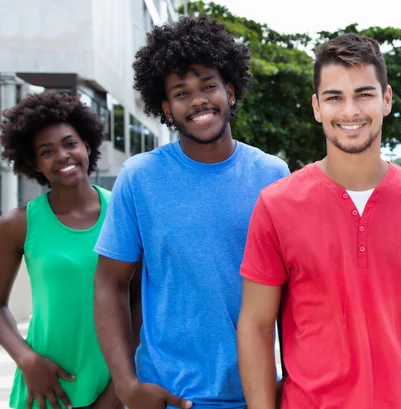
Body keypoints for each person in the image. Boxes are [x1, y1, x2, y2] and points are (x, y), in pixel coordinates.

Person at [237, 33, 401, 409]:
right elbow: (255, 325)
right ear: (317, 107)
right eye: (334, 97)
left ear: (386, 99)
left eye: (363, 94)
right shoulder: (276, 205)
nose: (350, 111)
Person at [93, 16, 289, 409]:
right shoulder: (140, 177)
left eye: (208, 86)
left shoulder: (273, 175)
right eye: (181, 92)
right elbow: (109, 285)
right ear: (165, 107)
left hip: (258, 393)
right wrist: (127, 385)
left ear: (230, 92)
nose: (198, 99)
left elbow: (293, 292)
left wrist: (291, 378)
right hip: (168, 394)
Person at [0, 92, 123, 409]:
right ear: (34, 162)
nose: (63, 156)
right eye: (46, 151)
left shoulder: (124, 211)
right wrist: (27, 361)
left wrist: (117, 393)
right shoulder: (19, 224)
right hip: (44, 389)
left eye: (70, 143)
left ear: (87, 145)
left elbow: (141, 307)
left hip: (115, 385)